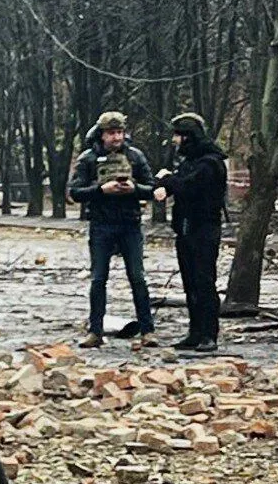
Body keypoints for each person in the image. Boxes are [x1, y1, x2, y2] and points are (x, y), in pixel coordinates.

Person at [69, 111, 156, 349]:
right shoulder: (88, 158)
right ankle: (95, 331)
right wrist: (101, 190)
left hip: (130, 223)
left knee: (137, 277)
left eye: (119, 132)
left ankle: (148, 331)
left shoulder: (135, 157)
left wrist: (134, 188)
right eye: (111, 133)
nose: (116, 137)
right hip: (101, 224)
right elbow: (75, 192)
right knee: (98, 278)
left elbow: (152, 188)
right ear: (102, 134)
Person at [154, 113, 227, 352]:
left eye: (178, 135)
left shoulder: (210, 163)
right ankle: (195, 332)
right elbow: (178, 183)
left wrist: (168, 179)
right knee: (190, 283)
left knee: (204, 282)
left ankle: (209, 334)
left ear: (188, 137)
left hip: (204, 229)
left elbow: (187, 187)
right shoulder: (191, 161)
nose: (175, 141)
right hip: (186, 229)